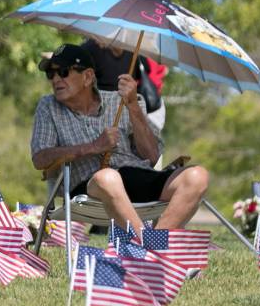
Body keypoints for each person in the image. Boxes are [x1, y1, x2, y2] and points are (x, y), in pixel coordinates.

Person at [30, 44, 208, 236]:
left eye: (63, 72)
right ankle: (150, 248)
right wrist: (92, 147)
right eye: (51, 73)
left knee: (197, 176)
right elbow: (40, 158)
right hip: (88, 190)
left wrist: (132, 105)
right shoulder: (48, 106)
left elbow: (152, 155)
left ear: (88, 77)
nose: (56, 79)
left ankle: (152, 251)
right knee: (108, 177)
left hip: (136, 177)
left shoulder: (123, 100)